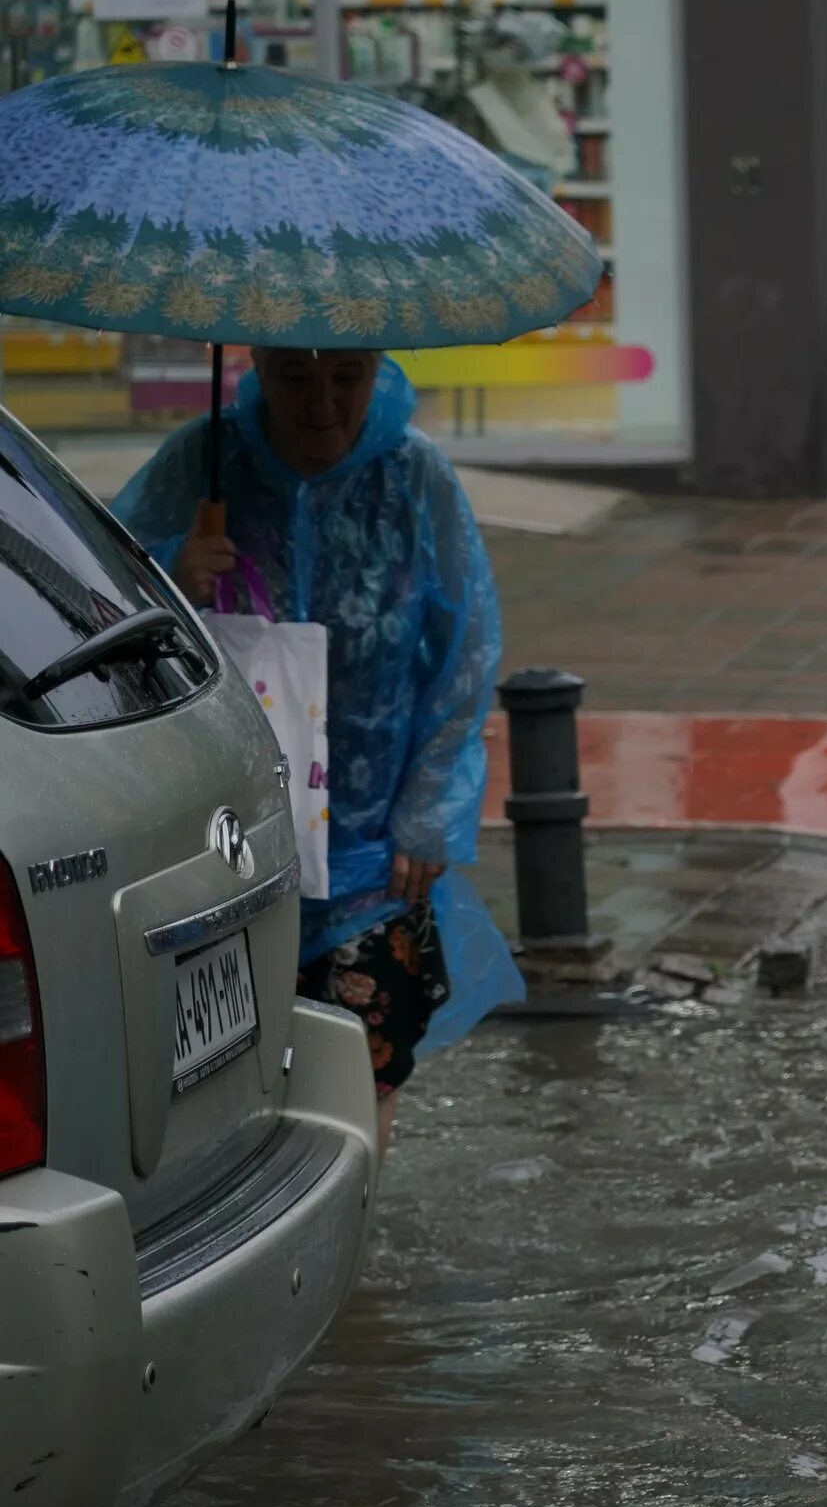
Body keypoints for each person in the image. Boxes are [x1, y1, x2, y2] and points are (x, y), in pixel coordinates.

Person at [112, 348, 521, 1146]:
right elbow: (106, 606)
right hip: (222, 839)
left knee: (361, 1076)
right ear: (259, 363)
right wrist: (171, 577)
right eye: (298, 379)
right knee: (218, 1081)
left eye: (348, 379)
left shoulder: (414, 478)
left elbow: (466, 650)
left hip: (371, 854)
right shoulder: (203, 460)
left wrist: (430, 808)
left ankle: (349, 1252)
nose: (324, 404)